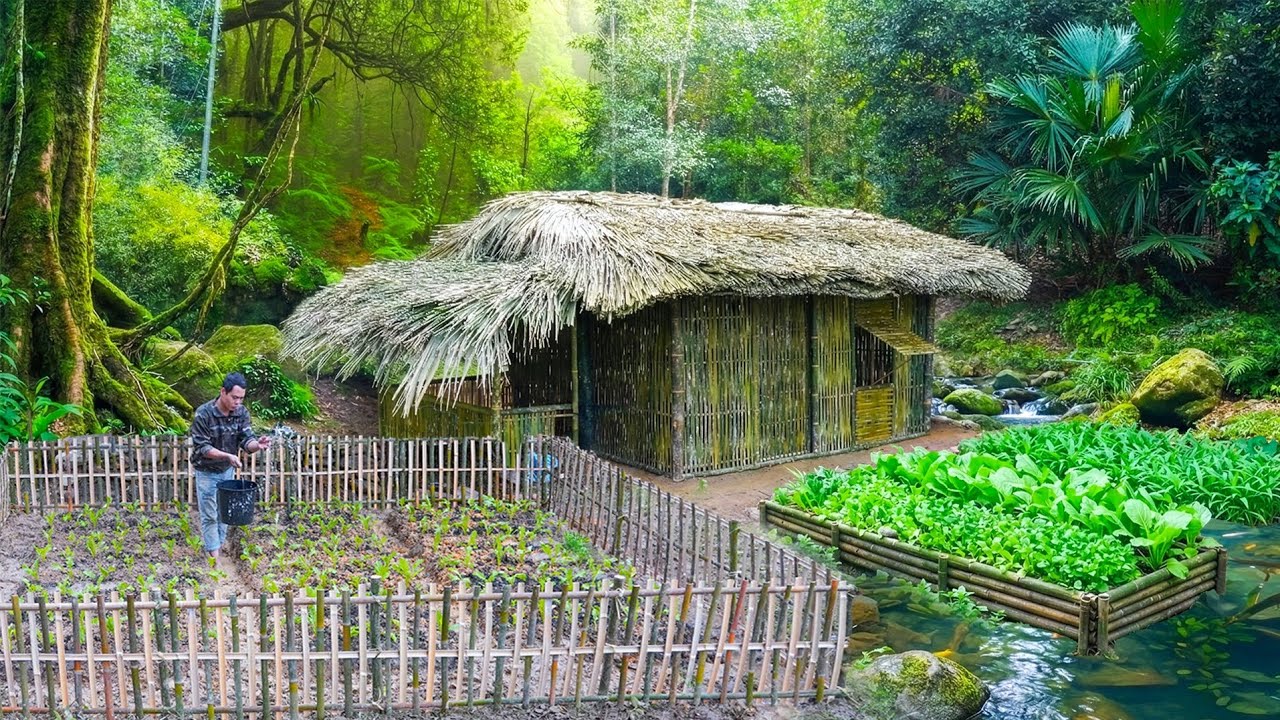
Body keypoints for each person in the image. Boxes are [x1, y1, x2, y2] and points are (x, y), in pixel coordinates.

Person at [190, 372, 272, 559]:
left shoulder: (241, 413)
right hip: (206, 471)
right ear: (223, 392)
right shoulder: (204, 413)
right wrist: (228, 455)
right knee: (209, 513)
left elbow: (247, 440)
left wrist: (257, 445)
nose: (238, 402)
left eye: (241, 398)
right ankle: (214, 555)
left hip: (226, 470)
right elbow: (202, 447)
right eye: (234, 397)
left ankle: (217, 546)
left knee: (224, 511)